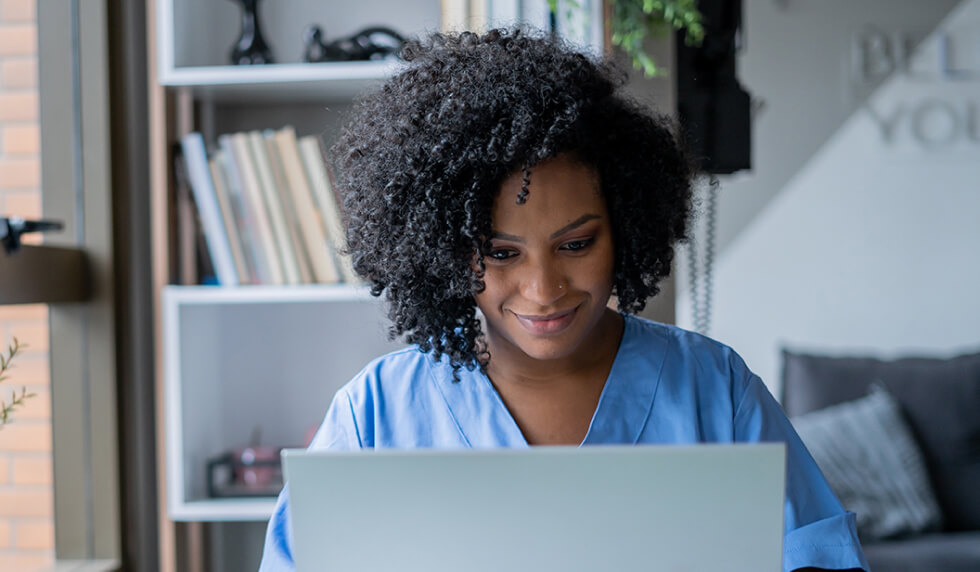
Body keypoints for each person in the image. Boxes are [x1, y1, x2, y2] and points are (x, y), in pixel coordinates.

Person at [259, 27, 868, 572]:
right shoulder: (373, 415)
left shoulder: (717, 391)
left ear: (626, 225)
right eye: (500, 253)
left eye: (576, 243)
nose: (544, 289)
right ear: (443, 248)